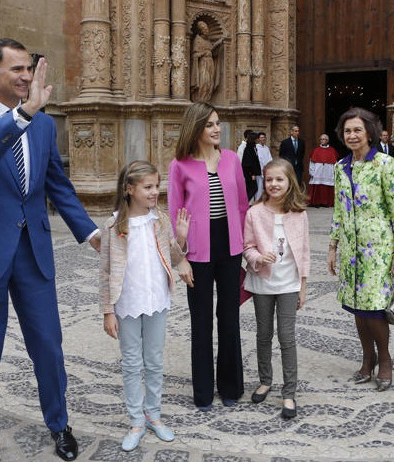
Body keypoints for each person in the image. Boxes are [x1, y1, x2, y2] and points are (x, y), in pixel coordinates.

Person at [0, 38, 100, 462]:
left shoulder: (46, 126)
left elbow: (57, 186)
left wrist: (90, 233)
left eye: (29, 69)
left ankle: (59, 424)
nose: (27, 77)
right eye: (17, 69)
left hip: (33, 251)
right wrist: (23, 114)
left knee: (49, 347)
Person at [99, 161, 190, 452]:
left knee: (154, 361)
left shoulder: (160, 220)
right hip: (127, 302)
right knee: (131, 363)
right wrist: (107, 311)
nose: (154, 192)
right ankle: (136, 420)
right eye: (148, 187)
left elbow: (173, 255)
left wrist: (183, 239)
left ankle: (154, 414)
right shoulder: (114, 225)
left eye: (156, 186)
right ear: (129, 189)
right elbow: (104, 272)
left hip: (156, 300)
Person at [168, 101, 248, 411]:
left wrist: (243, 245)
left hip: (229, 247)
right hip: (197, 252)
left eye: (218, 123)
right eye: (210, 124)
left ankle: (230, 386)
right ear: (196, 128)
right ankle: (202, 391)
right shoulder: (180, 165)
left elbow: (241, 204)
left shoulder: (230, 160)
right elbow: (175, 214)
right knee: (200, 322)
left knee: (229, 318)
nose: (217, 129)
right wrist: (180, 257)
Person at [327, 107, 394, 392]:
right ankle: (367, 358)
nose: (352, 135)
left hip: (379, 248)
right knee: (358, 309)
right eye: (347, 130)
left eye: (357, 130)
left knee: (374, 309)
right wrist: (333, 246)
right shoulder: (340, 167)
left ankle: (384, 358)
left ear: (369, 133)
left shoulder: (385, 164)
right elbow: (339, 209)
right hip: (351, 248)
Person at [243, 158, 310, 419]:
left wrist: (303, 287)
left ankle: (289, 392)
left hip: (289, 284)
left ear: (289, 182)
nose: (273, 184)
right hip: (262, 282)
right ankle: (265, 379)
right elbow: (247, 246)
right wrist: (258, 257)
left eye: (279, 179)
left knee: (287, 337)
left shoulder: (300, 214)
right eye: (269, 179)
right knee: (263, 334)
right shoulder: (254, 212)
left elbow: (304, 253)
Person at [190, 21, 223, 102]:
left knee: (210, 83)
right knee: (204, 81)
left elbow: (213, 52)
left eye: (207, 29)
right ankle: (200, 99)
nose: (206, 30)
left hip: (210, 63)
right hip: (203, 63)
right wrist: (204, 53)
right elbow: (195, 55)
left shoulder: (208, 41)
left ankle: (206, 99)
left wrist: (217, 46)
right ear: (200, 30)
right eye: (204, 29)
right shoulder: (197, 40)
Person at [308, 134, 338, 207]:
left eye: (323, 139)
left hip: (328, 171)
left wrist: (334, 171)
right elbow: (312, 162)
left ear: (327, 141)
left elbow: (335, 162)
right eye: (321, 139)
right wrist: (312, 171)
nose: (322, 141)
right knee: (318, 186)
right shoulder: (316, 150)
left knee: (327, 186)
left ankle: (327, 202)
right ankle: (316, 202)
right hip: (318, 170)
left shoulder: (332, 150)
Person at [241, 131, 260, 202]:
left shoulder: (253, 147)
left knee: (252, 188)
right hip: (249, 173)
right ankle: (245, 202)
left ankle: (245, 202)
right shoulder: (249, 149)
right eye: (256, 138)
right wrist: (252, 173)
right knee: (253, 188)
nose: (258, 139)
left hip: (250, 172)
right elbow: (248, 163)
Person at [255, 132, 273, 201]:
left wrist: (268, 166)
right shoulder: (256, 147)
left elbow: (270, 158)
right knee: (259, 188)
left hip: (267, 170)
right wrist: (262, 167)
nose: (263, 139)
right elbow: (259, 159)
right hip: (260, 171)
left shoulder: (266, 148)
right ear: (258, 139)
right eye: (261, 137)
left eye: (264, 137)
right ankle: (257, 201)